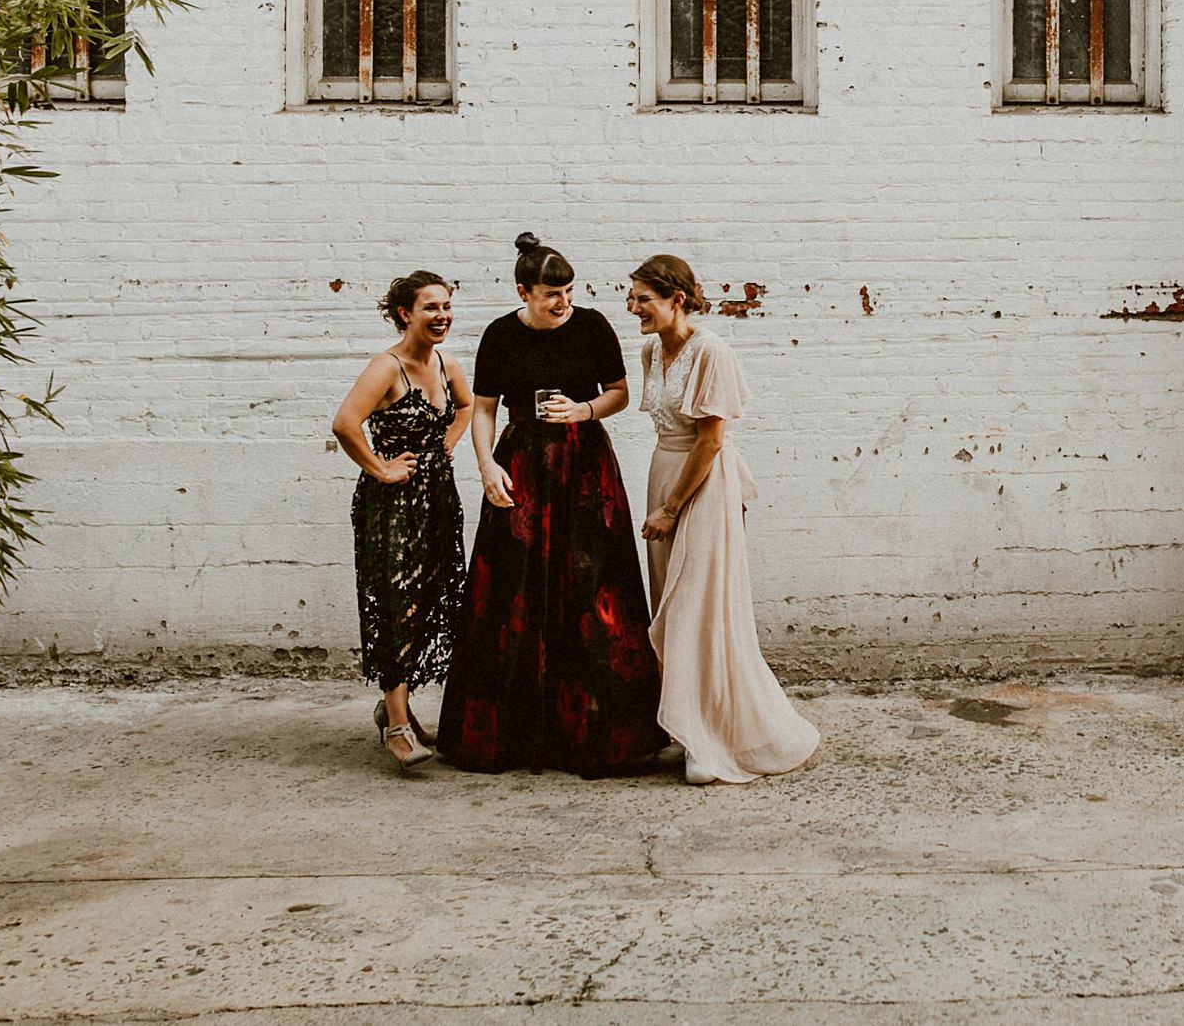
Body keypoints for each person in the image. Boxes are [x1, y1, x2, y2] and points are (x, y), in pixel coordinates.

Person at [437, 234, 668, 775]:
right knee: (513, 588)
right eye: (550, 295)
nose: (563, 302)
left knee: (594, 586)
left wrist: (583, 410)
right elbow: (484, 408)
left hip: (585, 464)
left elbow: (618, 393)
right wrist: (486, 464)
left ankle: (601, 732)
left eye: (568, 292)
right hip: (521, 464)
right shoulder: (500, 334)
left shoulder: (593, 326)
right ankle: (514, 737)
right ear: (524, 292)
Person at [629, 254, 819, 785]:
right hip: (664, 470)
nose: (634, 308)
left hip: (702, 482)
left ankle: (713, 737)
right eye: (632, 298)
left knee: (699, 605)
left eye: (644, 299)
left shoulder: (712, 351)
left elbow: (710, 440)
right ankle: (684, 725)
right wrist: (661, 499)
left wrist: (670, 509)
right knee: (668, 604)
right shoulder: (650, 350)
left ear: (677, 300)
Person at [329, 270, 471, 772]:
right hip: (392, 507)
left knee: (431, 601)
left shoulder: (447, 364)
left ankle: (397, 708)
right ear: (404, 313)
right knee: (398, 607)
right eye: (431, 307)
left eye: (447, 306)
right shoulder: (385, 368)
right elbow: (345, 424)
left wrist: (446, 444)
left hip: (439, 502)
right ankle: (396, 727)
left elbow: (467, 406)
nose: (442, 315)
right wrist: (381, 468)